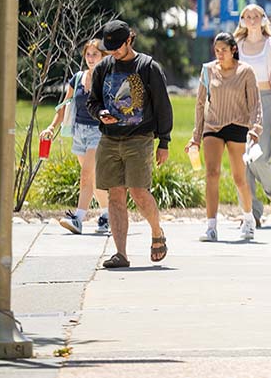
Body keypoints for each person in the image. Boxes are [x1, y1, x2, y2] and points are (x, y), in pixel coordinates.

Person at [87, 20, 173, 268]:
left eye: (117, 47)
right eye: (109, 47)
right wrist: (101, 113)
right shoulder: (103, 67)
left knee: (138, 191)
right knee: (115, 194)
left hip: (139, 138)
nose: (113, 51)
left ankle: (157, 232)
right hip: (110, 138)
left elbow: (162, 106)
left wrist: (164, 141)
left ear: (129, 40)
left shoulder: (147, 67)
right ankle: (121, 254)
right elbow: (92, 102)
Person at [187, 32, 263, 242]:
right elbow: (200, 103)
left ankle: (248, 220)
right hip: (213, 125)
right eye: (217, 50)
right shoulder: (208, 70)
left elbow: (255, 104)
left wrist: (255, 129)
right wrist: (195, 136)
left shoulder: (246, 71)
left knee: (239, 177)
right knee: (212, 173)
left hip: (238, 126)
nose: (220, 54)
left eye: (224, 50)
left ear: (233, 50)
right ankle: (211, 226)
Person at [42, 39, 109, 235]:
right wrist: (51, 126)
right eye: (88, 54)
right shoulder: (77, 77)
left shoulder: (107, 78)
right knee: (93, 179)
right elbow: (64, 105)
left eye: (95, 54)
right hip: (78, 132)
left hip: (98, 131)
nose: (90, 58)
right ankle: (107, 214)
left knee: (86, 175)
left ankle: (78, 219)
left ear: (103, 56)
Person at [234, 4, 271, 226]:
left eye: (256, 16)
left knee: (259, 155)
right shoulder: (235, 45)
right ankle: (251, 214)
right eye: (248, 16)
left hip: (265, 100)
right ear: (242, 21)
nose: (252, 19)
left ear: (264, 19)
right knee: (243, 159)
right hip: (241, 102)